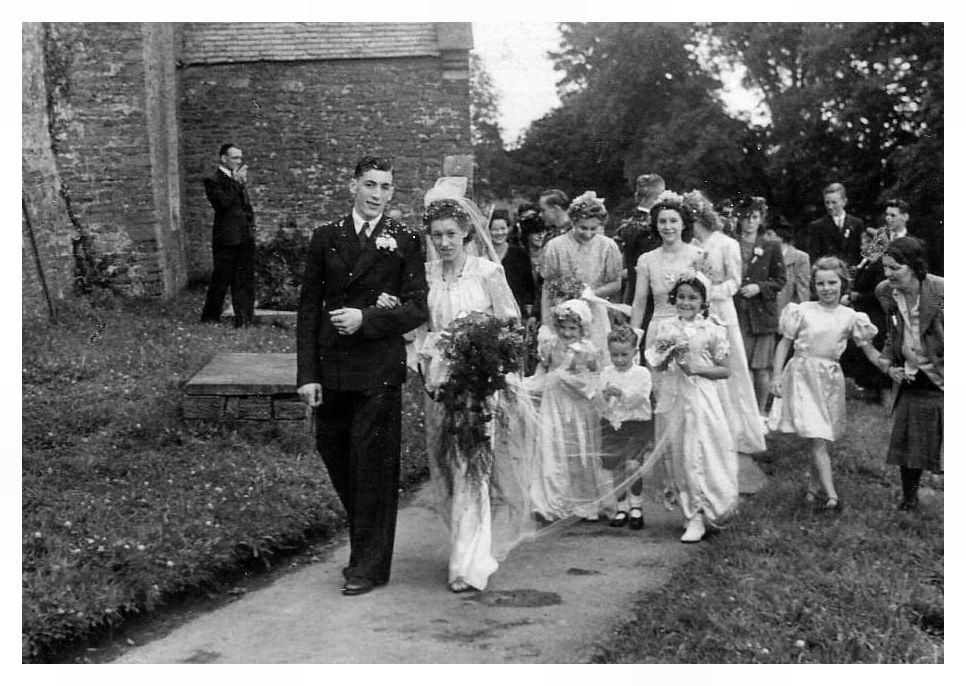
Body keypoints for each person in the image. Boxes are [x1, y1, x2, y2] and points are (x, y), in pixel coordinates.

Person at [296, 155, 428, 596]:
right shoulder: (325, 237)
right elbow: (308, 310)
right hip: (332, 372)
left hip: (377, 372)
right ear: (353, 185)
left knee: (372, 469)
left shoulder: (405, 241)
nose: (376, 195)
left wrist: (366, 319)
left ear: (393, 192)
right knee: (337, 459)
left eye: (385, 187)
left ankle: (366, 566)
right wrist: (307, 374)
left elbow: (416, 307)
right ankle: (367, 548)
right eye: (370, 184)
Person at [416, 193, 527, 593]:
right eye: (436, 235)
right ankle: (463, 547)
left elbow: (510, 325)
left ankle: (468, 562)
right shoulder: (426, 274)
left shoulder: (486, 272)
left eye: (451, 234)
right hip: (439, 384)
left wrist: (485, 360)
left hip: (479, 386)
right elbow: (418, 330)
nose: (444, 242)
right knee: (447, 466)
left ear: (467, 233)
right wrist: (426, 361)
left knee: (473, 468)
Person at [770, 257, 880, 511]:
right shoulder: (803, 310)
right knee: (817, 435)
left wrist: (887, 366)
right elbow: (784, 344)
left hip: (829, 379)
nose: (827, 288)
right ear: (813, 286)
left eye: (832, 283)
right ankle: (832, 496)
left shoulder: (850, 316)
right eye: (821, 283)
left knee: (820, 436)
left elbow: (869, 350)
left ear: (843, 283)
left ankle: (812, 488)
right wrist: (776, 377)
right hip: (802, 375)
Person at [644, 273, 737, 543]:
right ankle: (690, 512)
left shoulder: (713, 329)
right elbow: (657, 365)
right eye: (682, 297)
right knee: (680, 452)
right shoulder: (667, 328)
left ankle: (708, 508)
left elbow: (725, 370)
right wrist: (665, 357)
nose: (686, 302)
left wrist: (696, 368)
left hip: (702, 395)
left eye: (693, 298)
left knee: (702, 450)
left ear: (703, 301)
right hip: (676, 396)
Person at [686, 190, 766, 455]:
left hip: (721, 312)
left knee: (732, 371)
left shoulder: (726, 244)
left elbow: (734, 282)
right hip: (699, 313)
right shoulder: (691, 247)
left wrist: (708, 291)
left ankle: (737, 433)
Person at [875, 237, 943, 512]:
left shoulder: (942, 291)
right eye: (886, 268)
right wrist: (890, 363)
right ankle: (909, 499)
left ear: (914, 267)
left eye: (895, 268)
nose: (889, 274)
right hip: (913, 375)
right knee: (908, 440)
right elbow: (893, 334)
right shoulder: (886, 292)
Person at [530, 299, 609, 521]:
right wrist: (537, 384)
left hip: (577, 404)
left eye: (572, 328)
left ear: (582, 329)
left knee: (578, 449)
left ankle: (583, 503)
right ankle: (550, 502)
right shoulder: (550, 344)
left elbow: (594, 376)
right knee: (551, 446)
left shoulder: (587, 349)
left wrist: (582, 382)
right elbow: (545, 368)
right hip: (553, 402)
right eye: (563, 327)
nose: (567, 332)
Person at [539, 191, 623, 362]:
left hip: (594, 313)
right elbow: (548, 287)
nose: (588, 233)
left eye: (594, 228)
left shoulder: (608, 246)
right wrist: (546, 323)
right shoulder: (555, 246)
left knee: (595, 360)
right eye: (583, 228)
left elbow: (616, 282)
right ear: (573, 221)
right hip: (562, 313)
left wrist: (590, 293)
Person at [594, 325, 653, 530]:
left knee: (632, 465)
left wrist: (621, 394)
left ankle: (636, 505)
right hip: (612, 424)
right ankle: (621, 507)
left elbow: (641, 397)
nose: (619, 359)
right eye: (615, 355)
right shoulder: (606, 372)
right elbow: (598, 401)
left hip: (636, 423)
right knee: (616, 466)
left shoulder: (642, 373)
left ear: (635, 353)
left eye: (624, 355)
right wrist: (604, 396)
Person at [733, 196, 786, 416]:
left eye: (754, 217)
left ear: (761, 219)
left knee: (761, 368)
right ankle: (741, 413)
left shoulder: (771, 246)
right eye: (745, 217)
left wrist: (759, 287)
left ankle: (761, 413)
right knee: (739, 367)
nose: (750, 222)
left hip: (762, 313)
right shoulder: (730, 243)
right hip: (737, 313)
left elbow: (780, 280)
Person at [200, 143, 256, 327]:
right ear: (223, 158)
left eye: (240, 158)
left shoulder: (237, 179)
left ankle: (244, 319)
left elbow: (245, 207)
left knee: (244, 279)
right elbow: (222, 204)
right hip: (226, 238)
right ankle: (210, 317)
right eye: (234, 158)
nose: (238, 161)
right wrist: (236, 183)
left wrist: (250, 227)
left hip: (244, 236)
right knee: (221, 280)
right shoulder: (213, 179)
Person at [618, 173, 666, 311]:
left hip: (634, 295)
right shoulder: (650, 225)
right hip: (648, 298)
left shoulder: (629, 224)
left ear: (636, 195)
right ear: (659, 195)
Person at [490, 208, 536, 320]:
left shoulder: (520, 253)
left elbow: (528, 284)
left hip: (516, 309)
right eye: (495, 229)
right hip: (491, 309)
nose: (499, 233)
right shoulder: (483, 256)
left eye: (502, 228)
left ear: (508, 229)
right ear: (488, 230)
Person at [805, 182, 863, 265]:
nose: (830, 207)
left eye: (834, 202)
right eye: (827, 202)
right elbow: (814, 257)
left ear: (844, 202)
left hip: (851, 274)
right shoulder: (817, 226)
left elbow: (860, 253)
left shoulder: (856, 223)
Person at [763, 219, 811, 316]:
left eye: (769, 234)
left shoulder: (800, 258)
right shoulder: (764, 256)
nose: (765, 238)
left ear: (781, 236)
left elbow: (803, 292)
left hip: (790, 314)